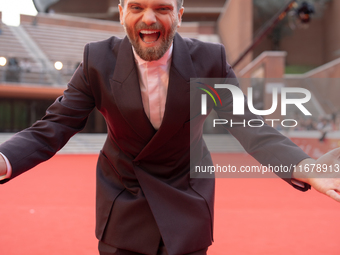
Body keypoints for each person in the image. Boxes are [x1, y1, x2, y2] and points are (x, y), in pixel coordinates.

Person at [0, 0, 340, 254]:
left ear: (179, 14)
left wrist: (306, 167)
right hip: (123, 202)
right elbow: (54, 127)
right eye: (137, 7)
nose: (149, 18)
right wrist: (4, 158)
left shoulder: (210, 61)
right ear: (121, 13)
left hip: (187, 200)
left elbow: (248, 125)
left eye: (162, 7)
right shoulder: (96, 61)